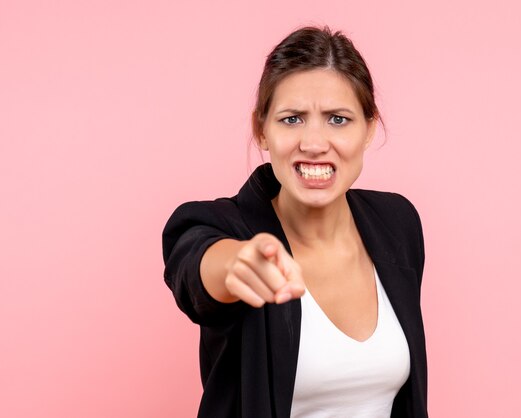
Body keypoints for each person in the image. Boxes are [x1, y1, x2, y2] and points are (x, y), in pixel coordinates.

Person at [162, 25, 428, 418]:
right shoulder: (226, 226)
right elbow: (194, 262)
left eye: (338, 119)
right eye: (292, 119)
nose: (314, 143)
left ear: (369, 129)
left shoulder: (397, 223)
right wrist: (237, 262)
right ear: (261, 129)